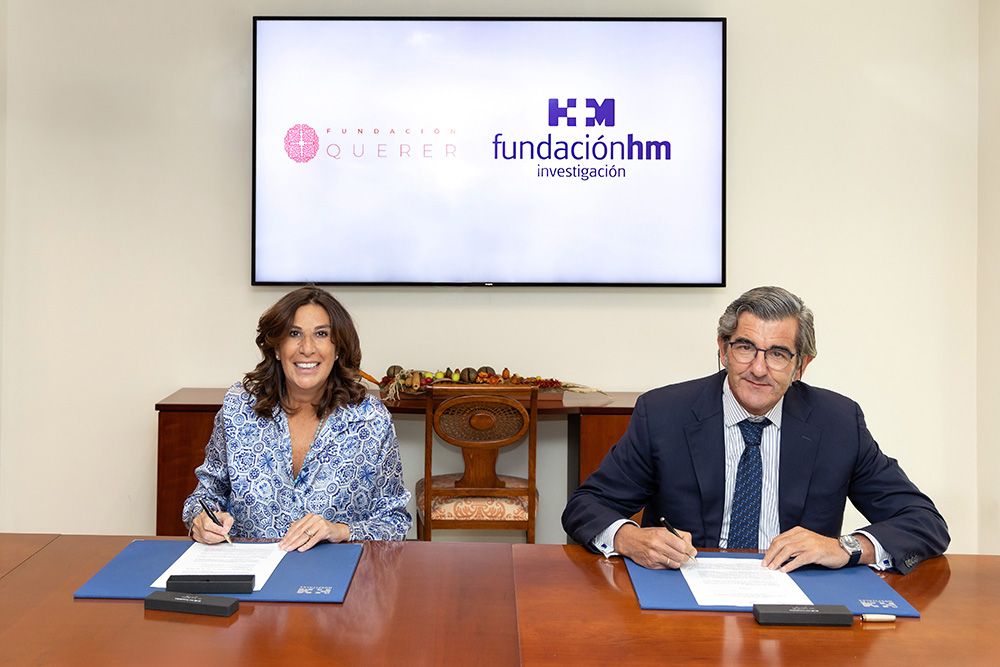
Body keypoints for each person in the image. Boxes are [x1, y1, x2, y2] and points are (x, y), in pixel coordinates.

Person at [562, 286, 949, 574]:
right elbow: (585, 505)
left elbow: (924, 522)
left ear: (801, 365)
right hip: (685, 592)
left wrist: (846, 547)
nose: (758, 369)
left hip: (796, 597)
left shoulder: (838, 423)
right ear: (723, 349)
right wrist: (629, 539)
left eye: (778, 354)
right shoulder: (665, 414)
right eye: (745, 347)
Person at [183, 286, 411, 550]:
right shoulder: (239, 408)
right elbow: (205, 495)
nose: (307, 348)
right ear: (277, 348)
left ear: (338, 348)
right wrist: (200, 520)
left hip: (337, 571)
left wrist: (339, 530)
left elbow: (395, 523)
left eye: (321, 334)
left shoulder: (371, 419)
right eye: (294, 334)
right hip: (248, 569)